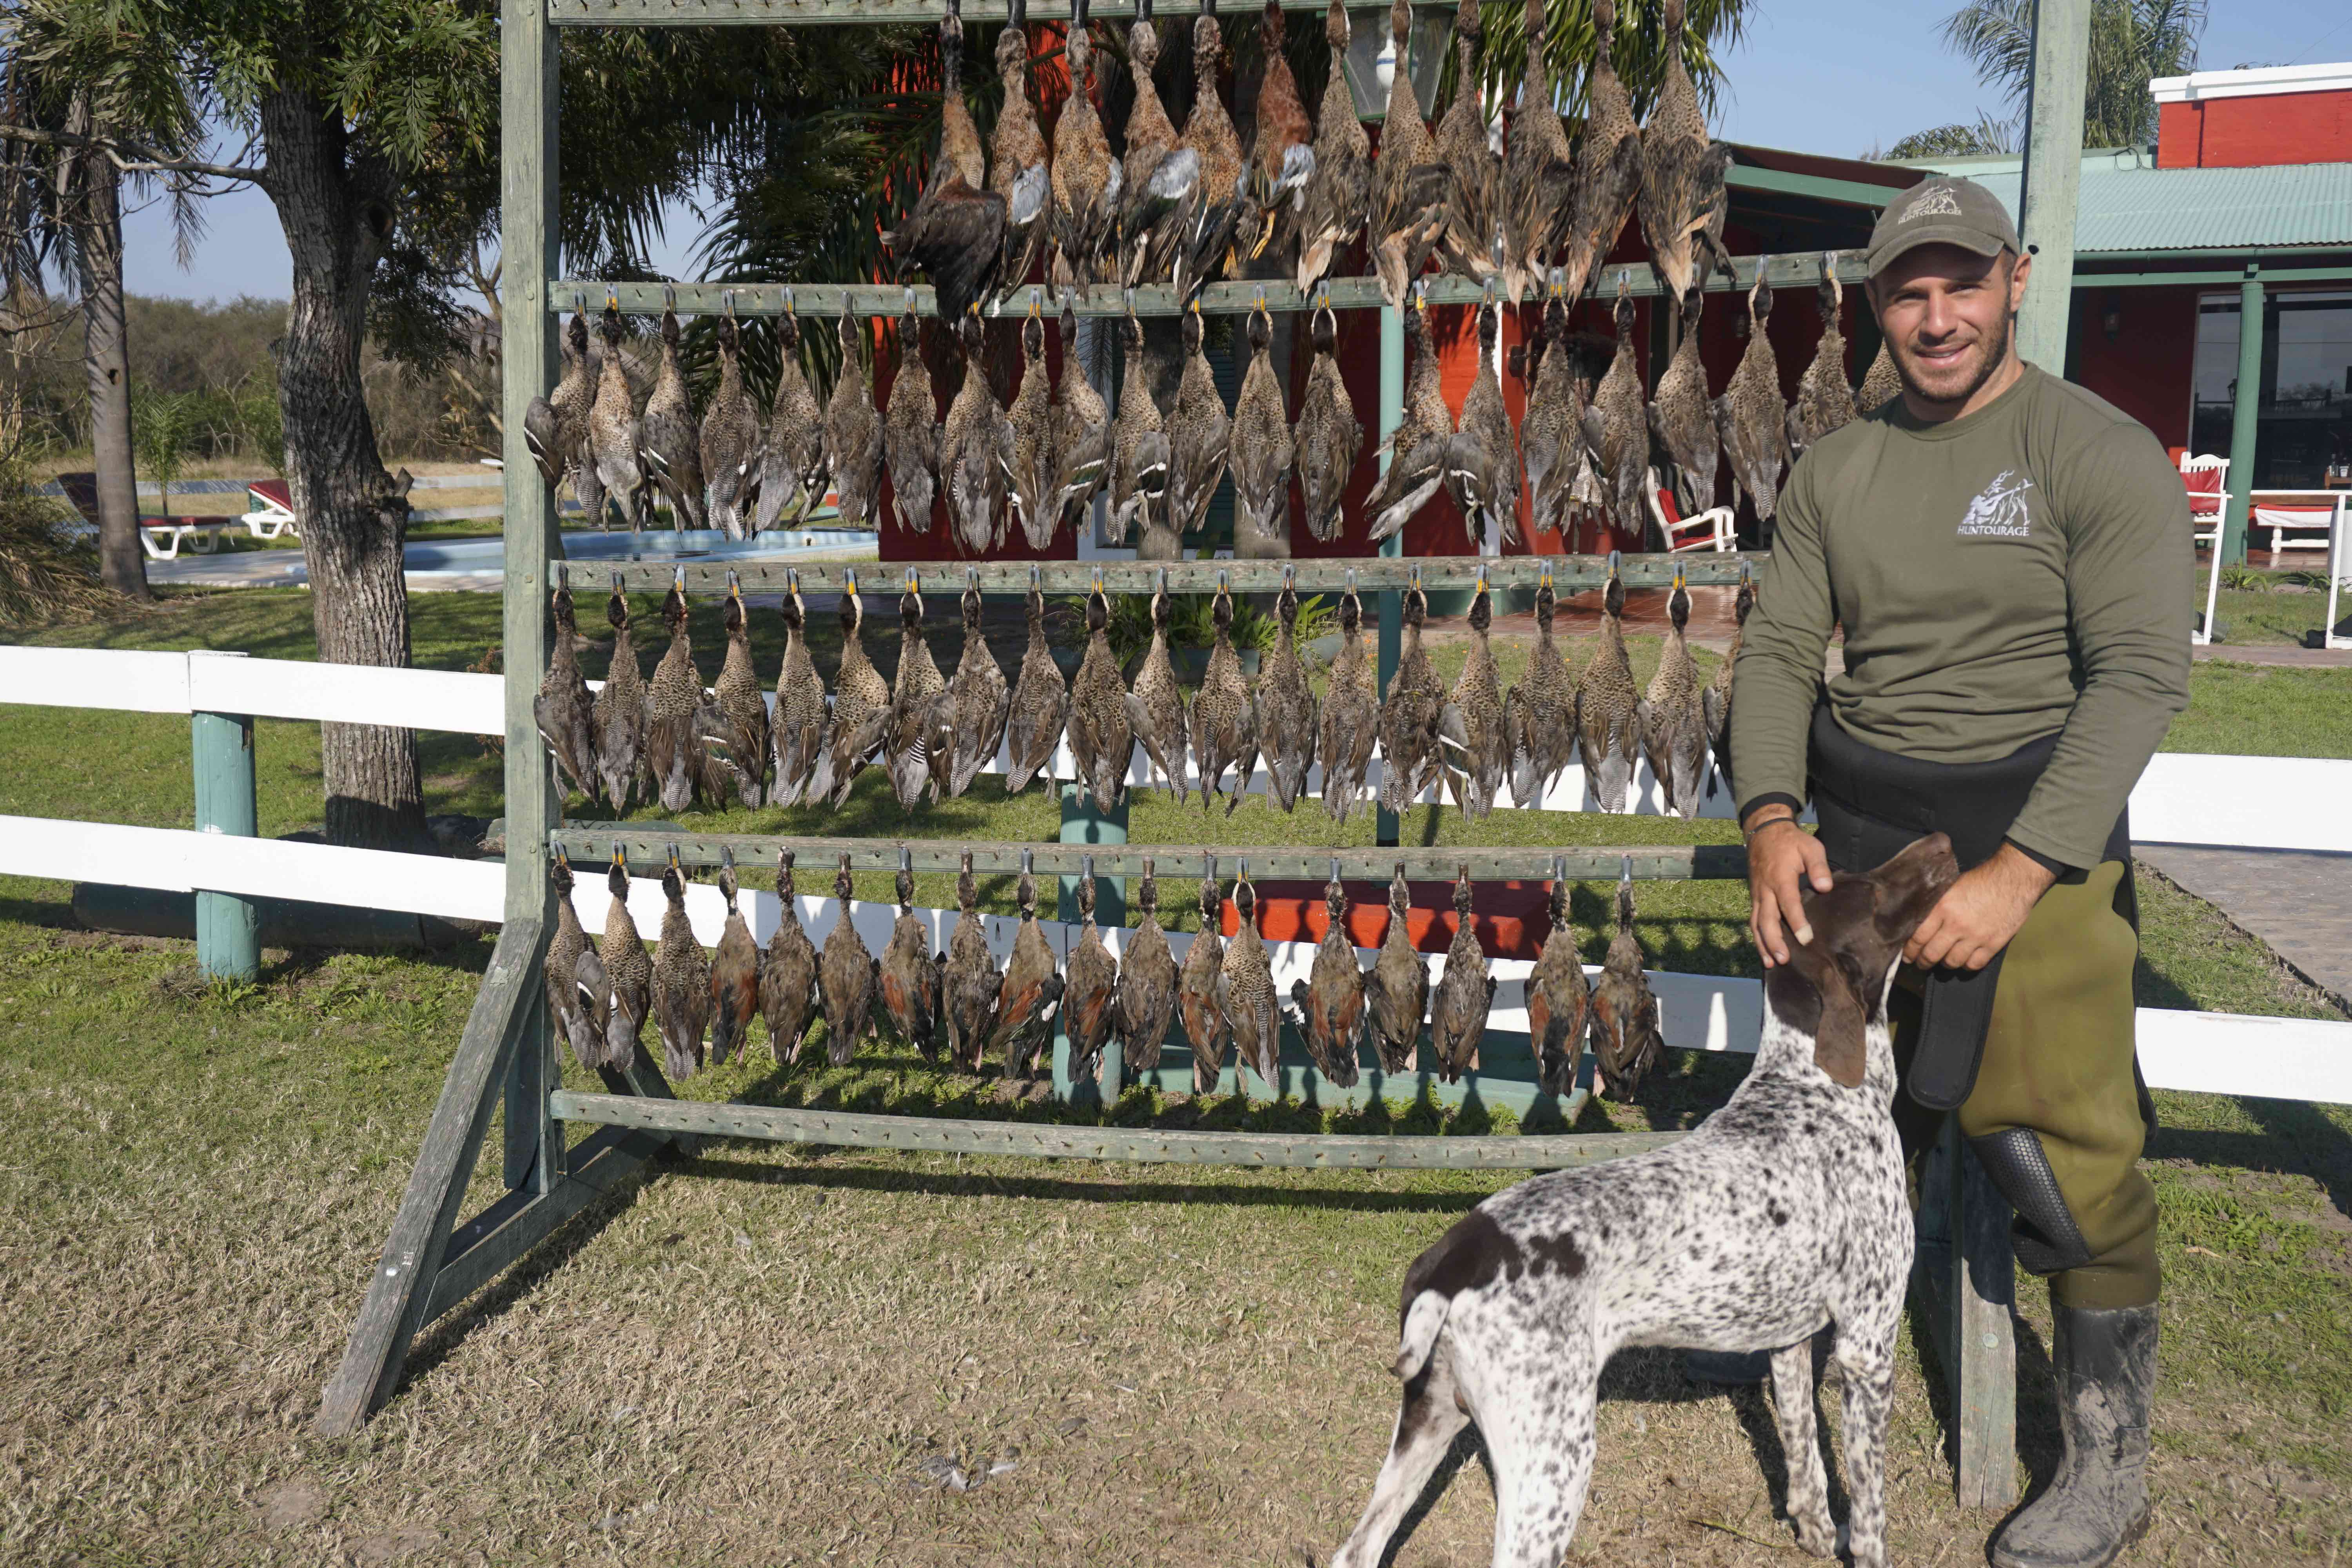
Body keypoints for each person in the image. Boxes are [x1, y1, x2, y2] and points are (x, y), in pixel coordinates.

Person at [1729, 176, 2192, 1568]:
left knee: (2064, 1161)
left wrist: (2020, 872)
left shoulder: (2094, 452)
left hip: (2027, 836)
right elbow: (1771, 653)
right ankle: (1812, 1367)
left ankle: (2106, 1461)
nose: (1937, 318)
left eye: (1962, 285)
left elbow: (2143, 677)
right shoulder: (1837, 468)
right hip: (1859, 839)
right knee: (1820, 1141)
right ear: (1878, 304)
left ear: (2017, 277)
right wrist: (1767, 815)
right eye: (1907, 293)